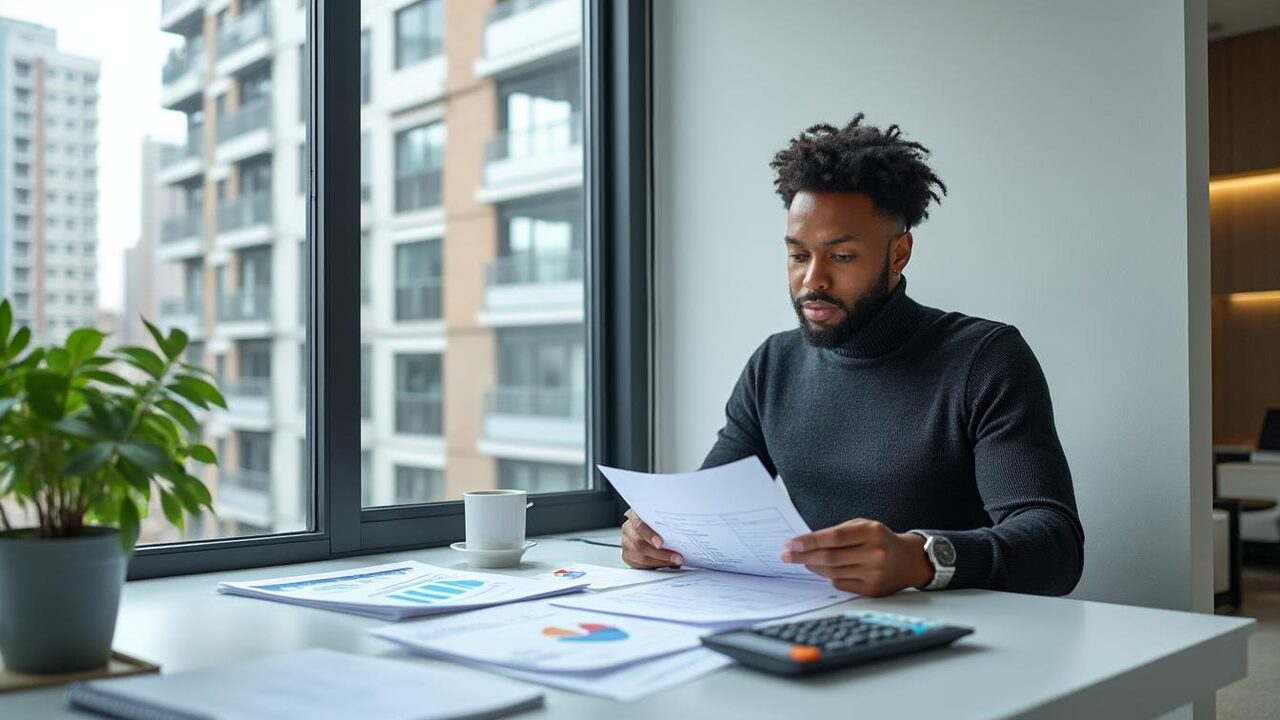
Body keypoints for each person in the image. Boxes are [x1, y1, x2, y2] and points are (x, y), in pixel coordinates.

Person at [621, 115, 1084, 597]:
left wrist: (922, 558)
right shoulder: (773, 366)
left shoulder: (984, 359)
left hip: (963, 643)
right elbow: (708, 515)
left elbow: (1056, 549)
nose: (812, 281)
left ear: (899, 253)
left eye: (841, 257)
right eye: (799, 256)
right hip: (817, 626)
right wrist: (657, 537)